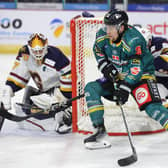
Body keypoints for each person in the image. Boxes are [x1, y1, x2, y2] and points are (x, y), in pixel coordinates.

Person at [83, 9, 168, 150]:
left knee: (153, 109)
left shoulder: (134, 39)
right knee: (91, 89)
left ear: (121, 27)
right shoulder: (102, 35)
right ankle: (99, 129)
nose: (107, 30)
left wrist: (124, 88)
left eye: (111, 27)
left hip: (142, 76)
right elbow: (98, 51)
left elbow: (136, 68)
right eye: (106, 26)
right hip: (118, 75)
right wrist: (106, 67)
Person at [0, 33, 72, 134]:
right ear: (29, 48)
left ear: (46, 45)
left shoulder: (56, 55)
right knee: (26, 102)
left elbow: (69, 79)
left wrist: (63, 100)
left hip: (60, 91)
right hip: (45, 92)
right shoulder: (25, 53)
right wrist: (9, 89)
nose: (38, 53)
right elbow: (18, 76)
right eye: (35, 50)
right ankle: (56, 113)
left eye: (41, 50)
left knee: (35, 108)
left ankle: (66, 113)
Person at [137, 27, 168, 103]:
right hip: (158, 81)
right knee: (159, 105)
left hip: (164, 77)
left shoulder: (160, 44)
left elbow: (163, 62)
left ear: (150, 41)